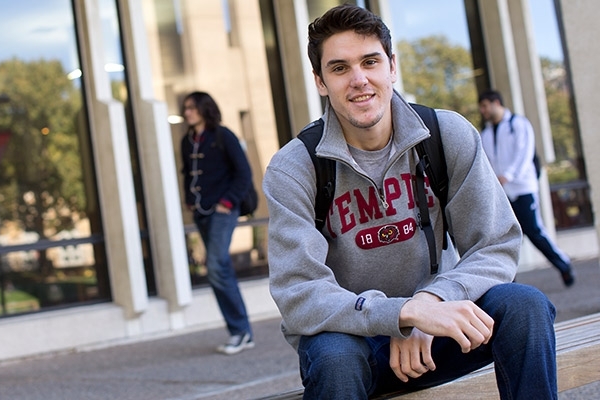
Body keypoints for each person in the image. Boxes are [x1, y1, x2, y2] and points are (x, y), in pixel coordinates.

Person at [263, 5, 557, 399]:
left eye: (370, 62)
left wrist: (433, 302)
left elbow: (495, 244)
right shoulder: (294, 167)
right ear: (320, 81)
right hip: (354, 344)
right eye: (339, 68)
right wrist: (399, 316)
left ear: (392, 66)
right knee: (335, 359)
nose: (359, 80)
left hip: (440, 332)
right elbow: (299, 291)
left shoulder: (445, 134)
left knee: (525, 307)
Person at [180, 91, 254, 355]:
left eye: (192, 107)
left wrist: (227, 202)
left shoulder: (223, 135)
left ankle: (240, 332)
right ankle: (242, 331)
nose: (187, 112)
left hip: (223, 211)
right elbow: (187, 173)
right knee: (220, 268)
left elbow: (244, 172)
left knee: (215, 265)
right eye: (186, 108)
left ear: (204, 109)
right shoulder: (187, 141)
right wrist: (190, 199)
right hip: (201, 212)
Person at [478, 89, 575, 287]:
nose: (483, 111)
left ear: (496, 103)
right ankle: (509, 279)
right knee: (504, 237)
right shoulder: (486, 133)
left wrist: (509, 175)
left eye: (485, 106)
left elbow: (524, 153)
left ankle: (563, 264)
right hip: (502, 192)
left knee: (534, 231)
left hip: (523, 188)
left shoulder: (518, 124)